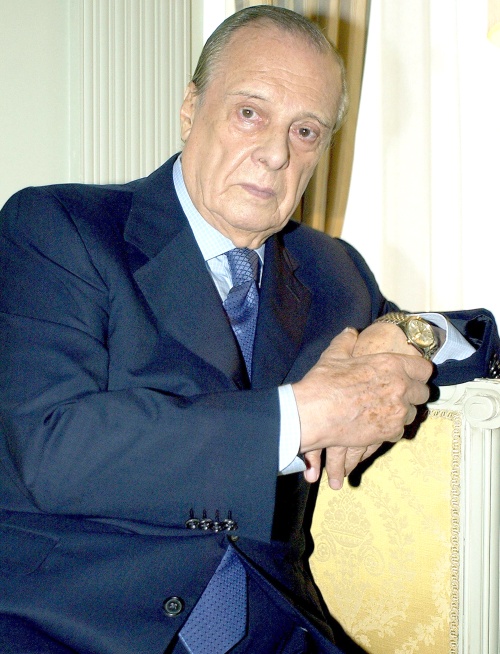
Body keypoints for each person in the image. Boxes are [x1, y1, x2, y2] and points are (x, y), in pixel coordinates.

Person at [0, 5, 498, 654]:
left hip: (273, 628)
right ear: (191, 108)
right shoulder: (60, 228)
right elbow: (49, 448)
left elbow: (470, 349)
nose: (275, 153)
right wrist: (304, 415)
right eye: (249, 113)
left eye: (305, 131)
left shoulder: (332, 271)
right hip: (70, 626)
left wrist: (412, 332)